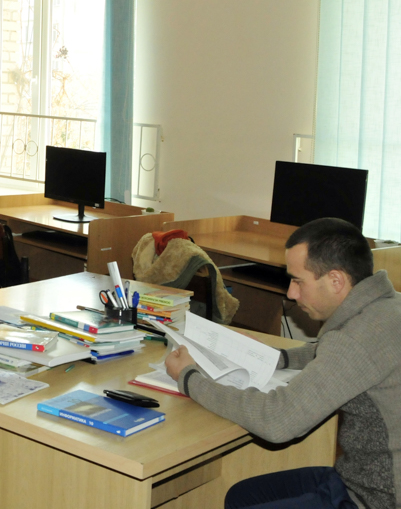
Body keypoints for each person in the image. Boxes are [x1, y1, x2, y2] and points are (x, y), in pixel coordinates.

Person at [165, 217, 401, 509]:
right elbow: (332, 355)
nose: (291, 293)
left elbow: (277, 421)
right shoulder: (387, 309)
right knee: (242, 496)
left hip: (376, 499)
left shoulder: (355, 339)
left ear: (336, 280)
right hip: (359, 478)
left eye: (298, 281)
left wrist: (189, 378)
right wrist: (277, 356)